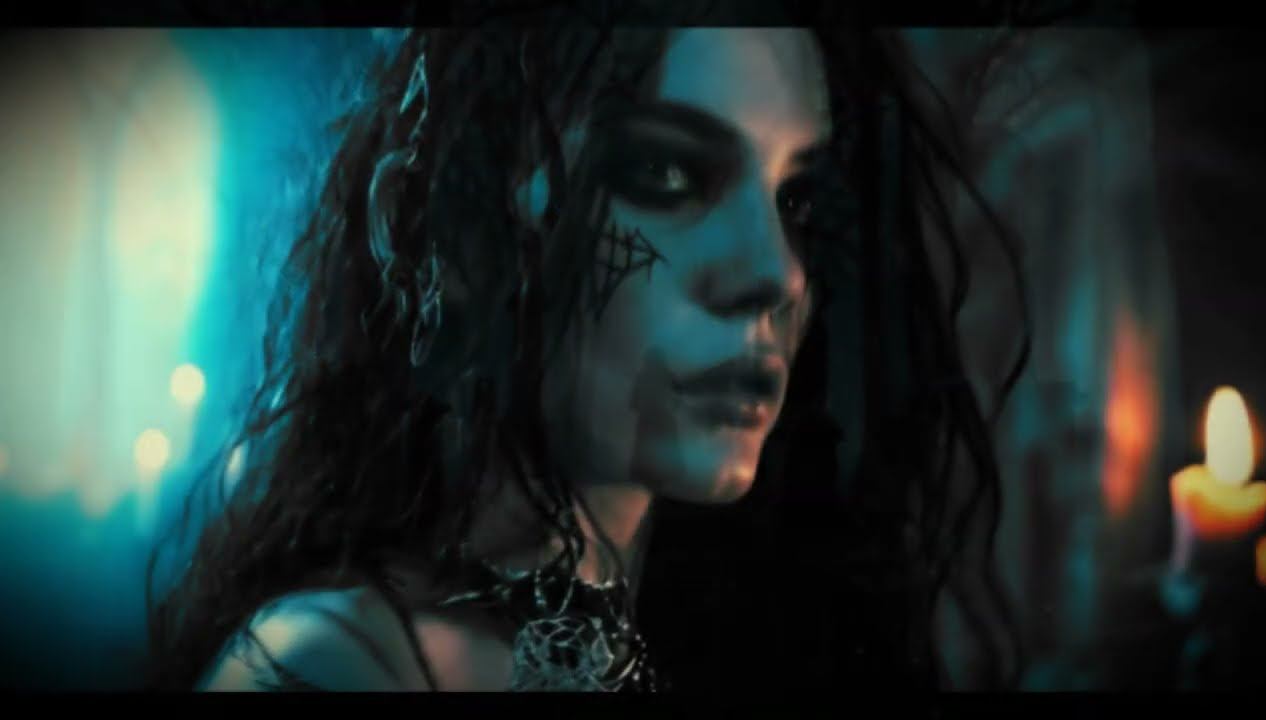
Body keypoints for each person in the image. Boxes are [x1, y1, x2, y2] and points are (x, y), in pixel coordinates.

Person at [146, 5, 1026, 692]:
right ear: (440, 227)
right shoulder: (338, 668)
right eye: (667, 172)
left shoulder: (745, 638)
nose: (776, 274)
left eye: (793, 200)